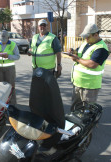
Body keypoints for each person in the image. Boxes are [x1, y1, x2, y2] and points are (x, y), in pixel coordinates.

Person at [28, 19, 65, 155]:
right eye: (40, 25)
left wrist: (59, 65)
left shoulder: (52, 38)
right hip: (36, 70)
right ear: (37, 27)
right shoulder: (35, 37)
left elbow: (58, 52)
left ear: (46, 26)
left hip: (48, 71)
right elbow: (33, 48)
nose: (42, 27)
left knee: (49, 94)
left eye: (44, 25)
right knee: (37, 94)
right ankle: (39, 114)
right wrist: (31, 51)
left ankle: (50, 115)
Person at [67, 23, 109, 109]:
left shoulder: (101, 48)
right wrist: (73, 52)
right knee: (76, 109)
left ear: (96, 35)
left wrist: (77, 59)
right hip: (78, 83)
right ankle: (75, 122)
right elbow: (79, 53)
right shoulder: (86, 43)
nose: (85, 39)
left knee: (87, 112)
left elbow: (92, 64)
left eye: (88, 36)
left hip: (89, 86)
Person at [0, 30, 20, 105]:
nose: (2, 41)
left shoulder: (13, 44)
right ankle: (0, 103)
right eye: (1, 40)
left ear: (8, 38)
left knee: (10, 86)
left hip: (9, 68)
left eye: (4, 40)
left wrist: (8, 56)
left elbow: (17, 56)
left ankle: (12, 104)